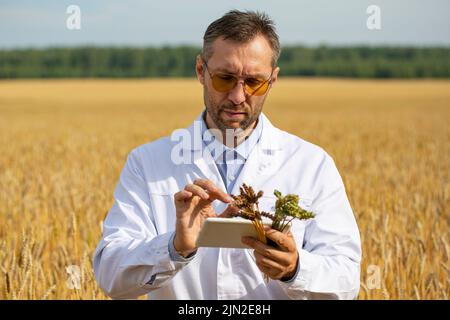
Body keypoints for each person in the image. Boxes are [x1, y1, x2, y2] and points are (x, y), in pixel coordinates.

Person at [93, 10, 361, 300]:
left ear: (273, 80)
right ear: (200, 71)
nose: (237, 96)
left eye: (254, 82)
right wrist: (174, 248)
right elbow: (111, 275)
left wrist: (296, 269)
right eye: (225, 78)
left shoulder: (312, 165)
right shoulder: (146, 163)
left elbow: (347, 281)